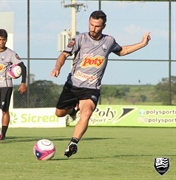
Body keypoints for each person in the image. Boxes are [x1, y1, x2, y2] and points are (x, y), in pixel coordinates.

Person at [50, 10, 151, 158]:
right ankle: (72, 110)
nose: (93, 28)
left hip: (91, 88)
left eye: (97, 26)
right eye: (91, 24)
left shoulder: (109, 41)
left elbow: (122, 51)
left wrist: (142, 43)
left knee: (87, 113)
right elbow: (64, 54)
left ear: (103, 26)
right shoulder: (80, 38)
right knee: (59, 113)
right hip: (72, 85)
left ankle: (73, 143)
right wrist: (57, 67)